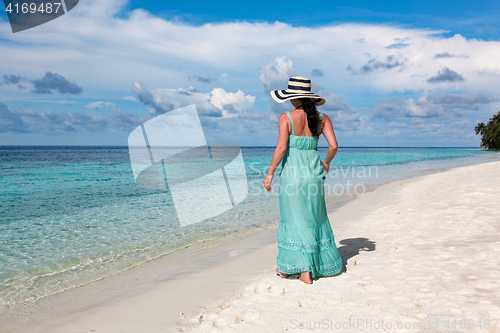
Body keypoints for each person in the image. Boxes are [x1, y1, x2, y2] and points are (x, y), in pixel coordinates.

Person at [263, 76, 344, 284]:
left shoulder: (286, 117)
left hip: (292, 175)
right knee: (313, 219)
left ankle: (302, 270)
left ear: (292, 98)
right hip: (314, 174)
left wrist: (270, 172)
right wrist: (326, 163)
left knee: (293, 219)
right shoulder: (322, 118)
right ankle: (313, 266)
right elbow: (333, 146)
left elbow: (281, 148)